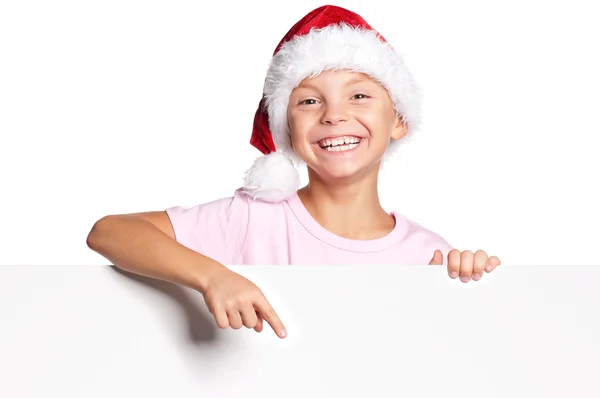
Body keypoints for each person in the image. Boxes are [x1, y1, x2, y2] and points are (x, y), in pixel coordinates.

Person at [87, 5, 501, 340]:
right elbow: (109, 231)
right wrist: (213, 277)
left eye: (359, 95)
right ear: (286, 131)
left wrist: (469, 282)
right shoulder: (251, 219)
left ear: (398, 119)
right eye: (308, 102)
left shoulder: (427, 254)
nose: (335, 115)